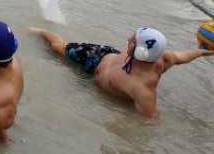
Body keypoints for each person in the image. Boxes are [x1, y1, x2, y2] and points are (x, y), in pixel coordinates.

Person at [31, 26, 213, 118]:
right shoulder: (163, 57)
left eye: (133, 40)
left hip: (95, 78)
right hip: (100, 56)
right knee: (58, 47)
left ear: (141, 51)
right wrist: (201, 51)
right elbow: (185, 55)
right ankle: (40, 31)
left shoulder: (143, 90)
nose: (128, 38)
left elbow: (150, 121)